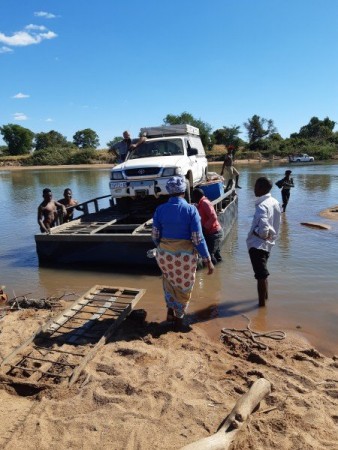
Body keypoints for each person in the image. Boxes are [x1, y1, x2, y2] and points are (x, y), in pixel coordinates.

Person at [152, 176, 214, 330]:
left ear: (168, 191)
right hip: (184, 257)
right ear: (184, 191)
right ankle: (178, 323)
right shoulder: (191, 210)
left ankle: (170, 314)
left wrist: (164, 247)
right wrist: (207, 259)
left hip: (164, 255)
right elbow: (197, 239)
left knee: (169, 283)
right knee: (183, 288)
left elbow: (155, 236)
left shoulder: (160, 210)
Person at [246, 177, 281, 307]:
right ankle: (265, 299)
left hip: (257, 245)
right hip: (268, 244)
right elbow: (277, 223)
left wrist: (258, 232)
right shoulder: (275, 202)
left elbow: (264, 228)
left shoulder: (262, 205)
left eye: (256, 186)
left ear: (262, 188)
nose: (254, 189)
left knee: (260, 275)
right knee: (263, 274)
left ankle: (261, 307)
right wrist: (269, 235)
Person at [192, 188, 224, 265]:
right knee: (216, 255)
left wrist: (204, 227)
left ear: (196, 196)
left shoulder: (205, 203)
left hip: (214, 234)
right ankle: (219, 273)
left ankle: (213, 273)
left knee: (210, 255)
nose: (192, 198)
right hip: (212, 233)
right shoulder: (201, 203)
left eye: (193, 196)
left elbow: (213, 217)